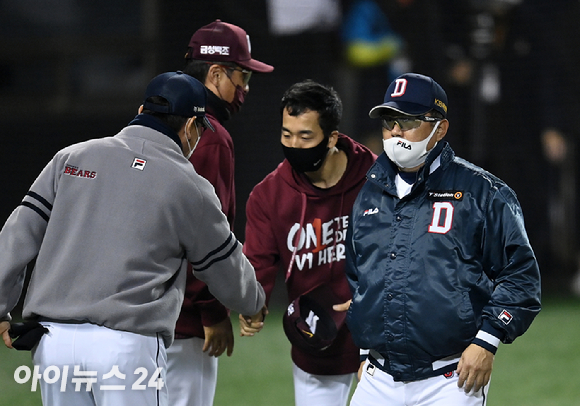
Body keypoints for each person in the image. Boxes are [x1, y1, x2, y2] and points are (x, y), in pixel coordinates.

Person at [0, 71, 266, 406]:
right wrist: (252, 304)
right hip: (126, 349)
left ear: (142, 109)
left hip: (55, 347)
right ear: (189, 127)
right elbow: (224, 268)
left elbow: (15, 238)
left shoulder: (71, 158)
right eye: (199, 129)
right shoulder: (190, 186)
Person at [344, 72, 541, 405]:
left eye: (407, 120)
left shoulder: (483, 192)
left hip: (450, 380)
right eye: (389, 120)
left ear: (440, 127)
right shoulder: (370, 192)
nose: (395, 131)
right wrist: (365, 350)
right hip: (378, 378)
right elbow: (360, 275)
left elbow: (521, 277)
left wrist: (487, 339)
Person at [240, 80, 377, 406]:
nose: (294, 145)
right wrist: (254, 301)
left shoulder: (375, 177)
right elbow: (258, 260)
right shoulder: (269, 195)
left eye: (305, 136)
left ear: (331, 138)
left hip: (379, 340)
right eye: (287, 134)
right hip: (316, 342)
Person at [166, 20, 273, 406]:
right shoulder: (209, 137)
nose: (244, 88)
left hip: (136, 315)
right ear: (215, 72)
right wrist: (211, 313)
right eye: (241, 75)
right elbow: (204, 237)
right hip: (182, 322)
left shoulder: (152, 121)